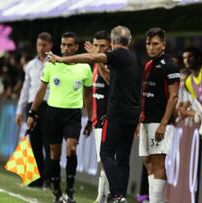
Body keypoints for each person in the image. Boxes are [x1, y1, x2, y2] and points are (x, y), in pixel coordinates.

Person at [46, 25, 142, 203]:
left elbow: (90, 57)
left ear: (112, 42)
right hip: (132, 114)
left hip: (116, 114)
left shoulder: (117, 55)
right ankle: (119, 196)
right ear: (129, 41)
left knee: (106, 153)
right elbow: (136, 88)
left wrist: (60, 59)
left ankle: (116, 195)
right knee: (122, 157)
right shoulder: (136, 59)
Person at [27, 31, 93, 203]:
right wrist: (32, 112)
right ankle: (56, 192)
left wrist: (91, 118)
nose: (66, 48)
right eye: (63, 44)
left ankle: (70, 191)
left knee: (71, 149)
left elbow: (88, 95)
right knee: (54, 154)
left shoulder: (85, 67)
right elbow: (41, 90)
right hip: (53, 114)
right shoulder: (51, 65)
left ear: (76, 47)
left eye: (70, 45)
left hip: (73, 115)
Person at [137, 27, 179, 203]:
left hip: (160, 121)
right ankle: (155, 199)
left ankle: (156, 201)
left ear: (163, 44)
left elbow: (174, 96)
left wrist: (163, 123)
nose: (151, 47)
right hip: (146, 120)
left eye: (155, 44)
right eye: (148, 43)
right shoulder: (148, 64)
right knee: (147, 160)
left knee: (158, 161)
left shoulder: (169, 65)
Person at [15, 32, 53, 188]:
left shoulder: (56, 62)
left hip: (49, 105)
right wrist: (20, 110)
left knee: (48, 144)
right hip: (32, 107)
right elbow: (25, 89)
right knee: (34, 143)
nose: (41, 48)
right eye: (39, 45)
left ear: (50, 45)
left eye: (44, 45)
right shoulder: (30, 65)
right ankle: (36, 179)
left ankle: (49, 179)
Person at [84, 31, 111, 203]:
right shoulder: (94, 66)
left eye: (103, 46)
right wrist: (90, 119)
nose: (99, 49)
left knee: (108, 160)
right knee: (105, 161)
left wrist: (96, 59)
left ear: (109, 46)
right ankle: (106, 196)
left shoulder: (110, 64)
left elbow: (109, 80)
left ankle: (102, 197)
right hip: (97, 121)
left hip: (109, 120)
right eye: (96, 46)